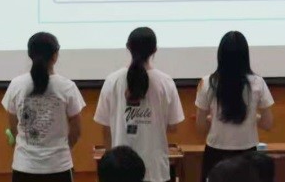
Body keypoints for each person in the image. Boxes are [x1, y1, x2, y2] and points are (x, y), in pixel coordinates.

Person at [95, 27, 185, 182]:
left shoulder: (112, 81)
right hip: (155, 169)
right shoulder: (165, 82)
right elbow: (173, 127)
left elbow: (106, 128)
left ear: (128, 47)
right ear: (155, 50)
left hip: (119, 170)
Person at [1, 32, 86, 182]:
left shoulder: (16, 85)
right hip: (59, 166)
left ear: (30, 55)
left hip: (24, 166)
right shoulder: (67, 87)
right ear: (55, 55)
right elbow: (76, 131)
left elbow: (14, 129)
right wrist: (61, 151)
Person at [196, 31, 275, 181]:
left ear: (220, 55)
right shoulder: (258, 82)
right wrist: (253, 116)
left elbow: (200, 127)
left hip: (216, 154)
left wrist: (213, 119)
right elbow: (268, 123)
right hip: (248, 155)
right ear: (245, 55)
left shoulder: (207, 83)